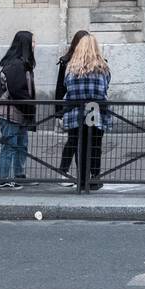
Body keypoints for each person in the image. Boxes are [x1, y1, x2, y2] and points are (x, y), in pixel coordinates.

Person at [61, 33, 112, 191]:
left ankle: (81, 180)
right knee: (95, 146)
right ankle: (94, 178)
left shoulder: (71, 68)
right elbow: (105, 87)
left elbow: (66, 87)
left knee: (79, 146)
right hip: (95, 112)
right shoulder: (102, 68)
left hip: (75, 113)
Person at [0, 31, 37, 190]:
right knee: (10, 146)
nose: (35, 45)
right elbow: (17, 90)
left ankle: (19, 176)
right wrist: (30, 106)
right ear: (25, 44)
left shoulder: (21, 63)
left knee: (21, 144)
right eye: (33, 42)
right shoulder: (16, 65)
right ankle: (3, 179)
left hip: (19, 111)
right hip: (10, 111)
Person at [56, 29, 91, 179]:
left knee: (86, 141)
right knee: (73, 139)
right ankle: (65, 171)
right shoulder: (66, 61)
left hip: (89, 109)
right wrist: (58, 111)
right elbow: (60, 88)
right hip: (72, 108)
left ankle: (83, 175)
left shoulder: (93, 60)